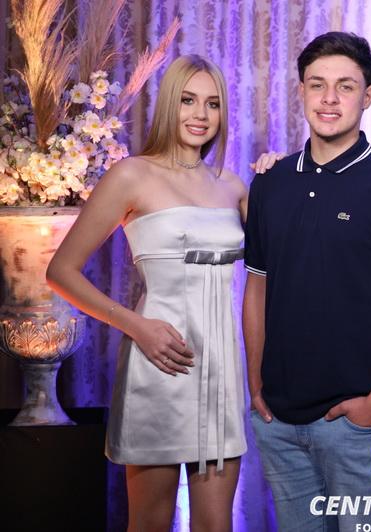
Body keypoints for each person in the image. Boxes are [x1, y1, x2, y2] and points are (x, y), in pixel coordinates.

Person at [242, 32, 371, 531]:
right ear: (301, 91)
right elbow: (257, 290)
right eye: (317, 85)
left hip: (364, 426)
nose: (329, 99)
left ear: (368, 95)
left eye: (346, 86)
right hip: (279, 424)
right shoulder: (270, 183)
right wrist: (255, 385)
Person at [46, 55, 248, 531]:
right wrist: (136, 327)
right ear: (168, 105)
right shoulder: (132, 175)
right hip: (159, 360)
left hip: (221, 367)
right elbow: (61, 271)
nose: (201, 114)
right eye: (188, 100)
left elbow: (284, 259)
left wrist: (282, 175)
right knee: (151, 523)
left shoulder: (233, 186)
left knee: (216, 525)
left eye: (213, 103)